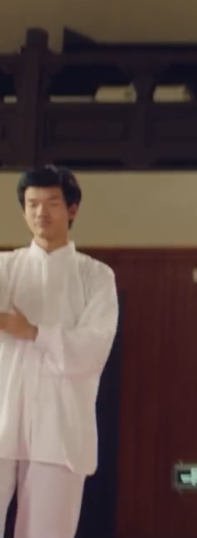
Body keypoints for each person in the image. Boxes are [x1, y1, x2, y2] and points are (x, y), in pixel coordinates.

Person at [0, 166, 118, 538]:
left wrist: (34, 332)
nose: (41, 212)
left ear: (72, 209)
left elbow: (92, 349)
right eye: (32, 204)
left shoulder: (95, 276)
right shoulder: (6, 266)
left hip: (60, 423)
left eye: (51, 202)